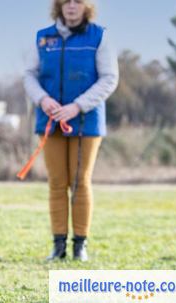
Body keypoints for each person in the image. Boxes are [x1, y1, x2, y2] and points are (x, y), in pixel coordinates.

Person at [23, 0, 119, 261]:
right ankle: (58, 246)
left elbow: (109, 78)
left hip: (86, 122)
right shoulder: (43, 38)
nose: (71, 6)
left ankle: (80, 246)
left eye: (77, 1)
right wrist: (43, 100)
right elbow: (30, 75)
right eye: (66, 1)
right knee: (56, 183)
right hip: (50, 121)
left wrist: (77, 106)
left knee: (79, 182)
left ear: (86, 6)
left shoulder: (99, 36)